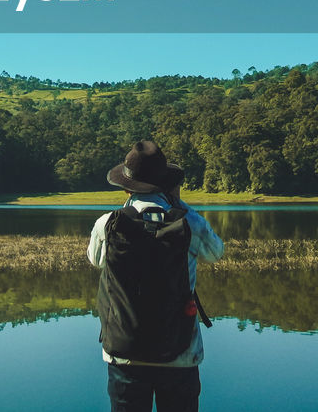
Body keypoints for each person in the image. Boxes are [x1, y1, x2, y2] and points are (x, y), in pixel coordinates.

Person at [88, 140, 225, 412]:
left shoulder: (108, 223)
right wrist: (178, 203)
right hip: (180, 353)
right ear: (166, 185)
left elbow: (95, 260)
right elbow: (216, 252)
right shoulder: (189, 222)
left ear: (127, 186)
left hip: (123, 355)